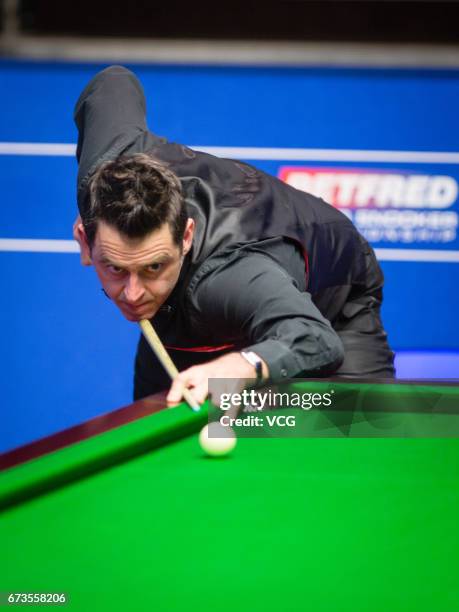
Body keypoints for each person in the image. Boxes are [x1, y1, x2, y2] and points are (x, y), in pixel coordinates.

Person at [73, 65, 395, 407]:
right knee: (157, 430)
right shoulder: (104, 174)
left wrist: (241, 363)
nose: (133, 294)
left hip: (330, 296)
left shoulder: (229, 277)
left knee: (353, 431)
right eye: (116, 268)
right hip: (191, 307)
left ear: (186, 237)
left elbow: (316, 339)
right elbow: (113, 81)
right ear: (85, 240)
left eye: (153, 267)